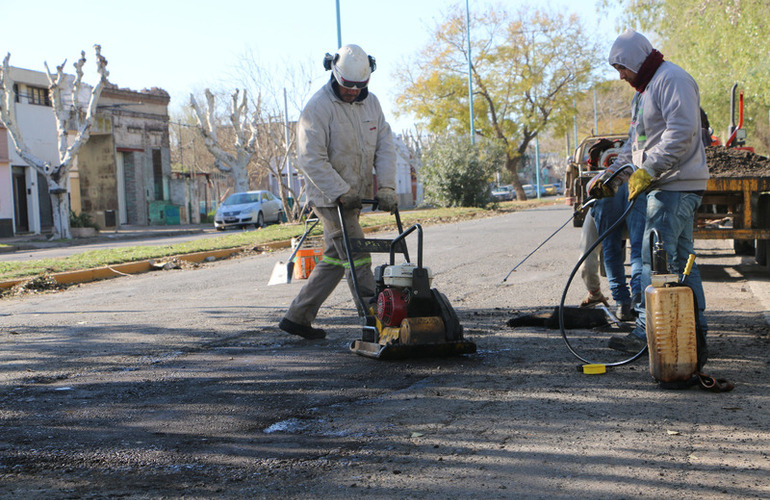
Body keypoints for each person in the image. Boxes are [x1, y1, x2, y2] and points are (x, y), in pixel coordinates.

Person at [589, 29, 709, 353]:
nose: (621, 75)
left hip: (676, 184)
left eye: (622, 68)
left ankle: (646, 332)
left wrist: (650, 170)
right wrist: (613, 175)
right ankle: (695, 334)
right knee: (682, 260)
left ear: (634, 59)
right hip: (666, 183)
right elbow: (636, 144)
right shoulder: (643, 91)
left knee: (653, 259)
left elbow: (681, 132)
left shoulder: (672, 79)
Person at [278, 44, 398, 340]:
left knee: (335, 258)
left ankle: (298, 317)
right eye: (348, 86)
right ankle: (375, 321)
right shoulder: (318, 108)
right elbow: (310, 158)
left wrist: (386, 187)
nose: (353, 92)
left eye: (361, 86)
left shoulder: (373, 105)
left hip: (355, 197)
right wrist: (340, 191)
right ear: (334, 74)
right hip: (329, 197)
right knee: (357, 256)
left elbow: (385, 147)